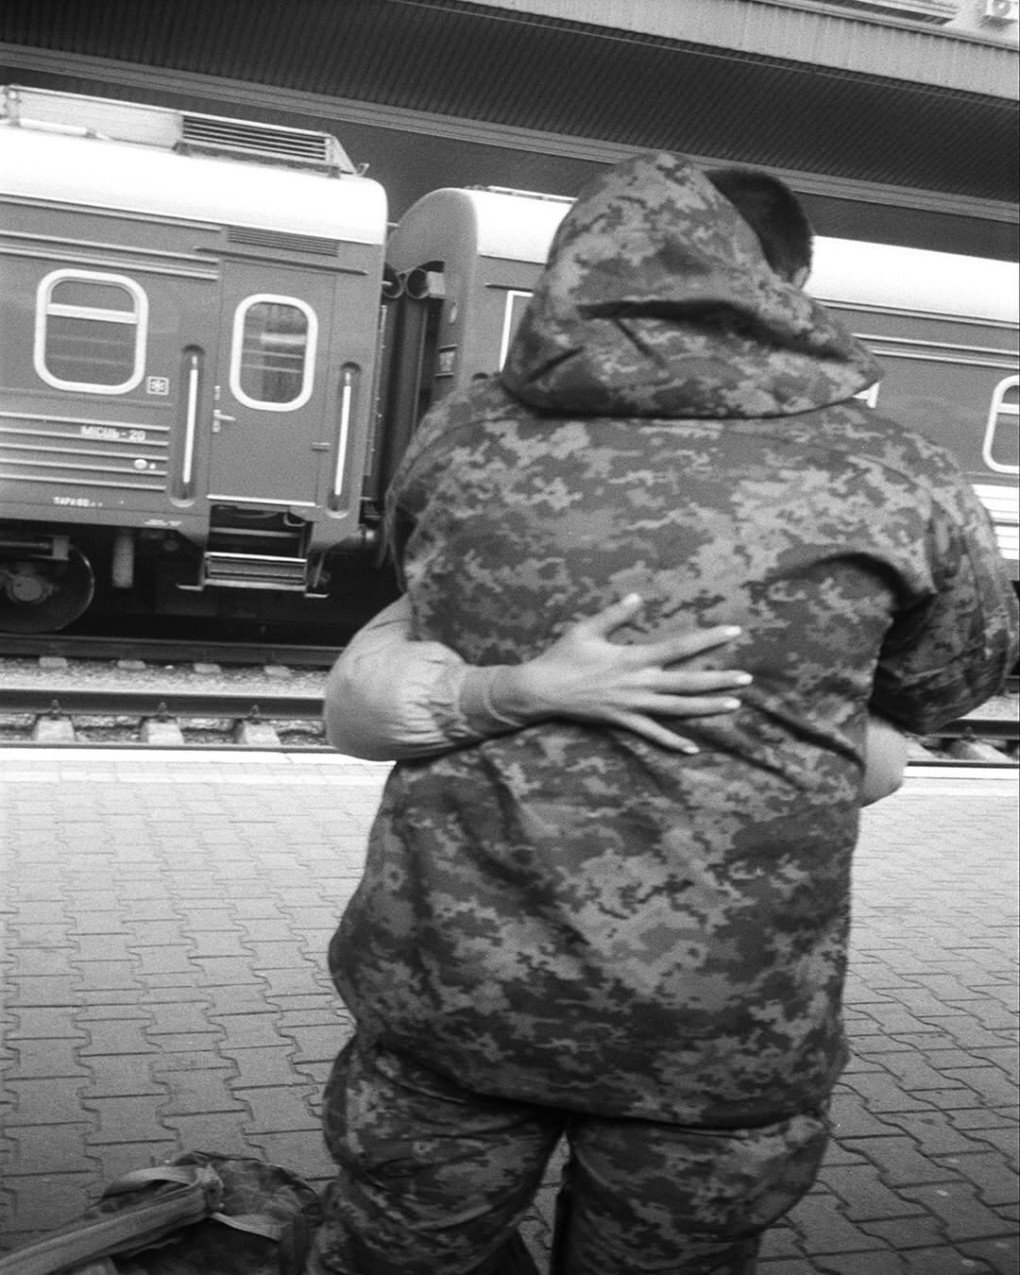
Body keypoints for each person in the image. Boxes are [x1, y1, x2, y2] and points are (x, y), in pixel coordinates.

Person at [308, 153, 1018, 1275]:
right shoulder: (895, 475)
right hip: (720, 1020)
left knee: (397, 1257)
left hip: (453, 989)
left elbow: (418, 593)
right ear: (785, 283)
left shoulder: (462, 434)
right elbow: (947, 684)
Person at [321, 591, 908, 804]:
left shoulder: (468, 450)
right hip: (738, 1008)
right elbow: (877, 771)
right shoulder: (885, 475)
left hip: (460, 983)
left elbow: (357, 712)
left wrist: (509, 692)